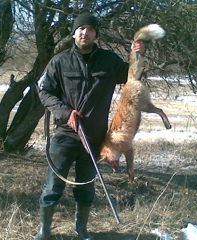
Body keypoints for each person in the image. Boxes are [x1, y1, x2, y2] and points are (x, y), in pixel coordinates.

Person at [35, 13, 145, 240]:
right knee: (53, 187)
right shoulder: (59, 61)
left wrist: (137, 56)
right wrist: (66, 113)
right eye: (81, 28)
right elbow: (43, 90)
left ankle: (81, 229)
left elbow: (133, 77)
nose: (85, 33)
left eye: (90, 29)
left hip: (94, 138)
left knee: (86, 188)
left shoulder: (109, 60)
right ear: (74, 32)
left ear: (96, 34)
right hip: (65, 136)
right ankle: (44, 231)